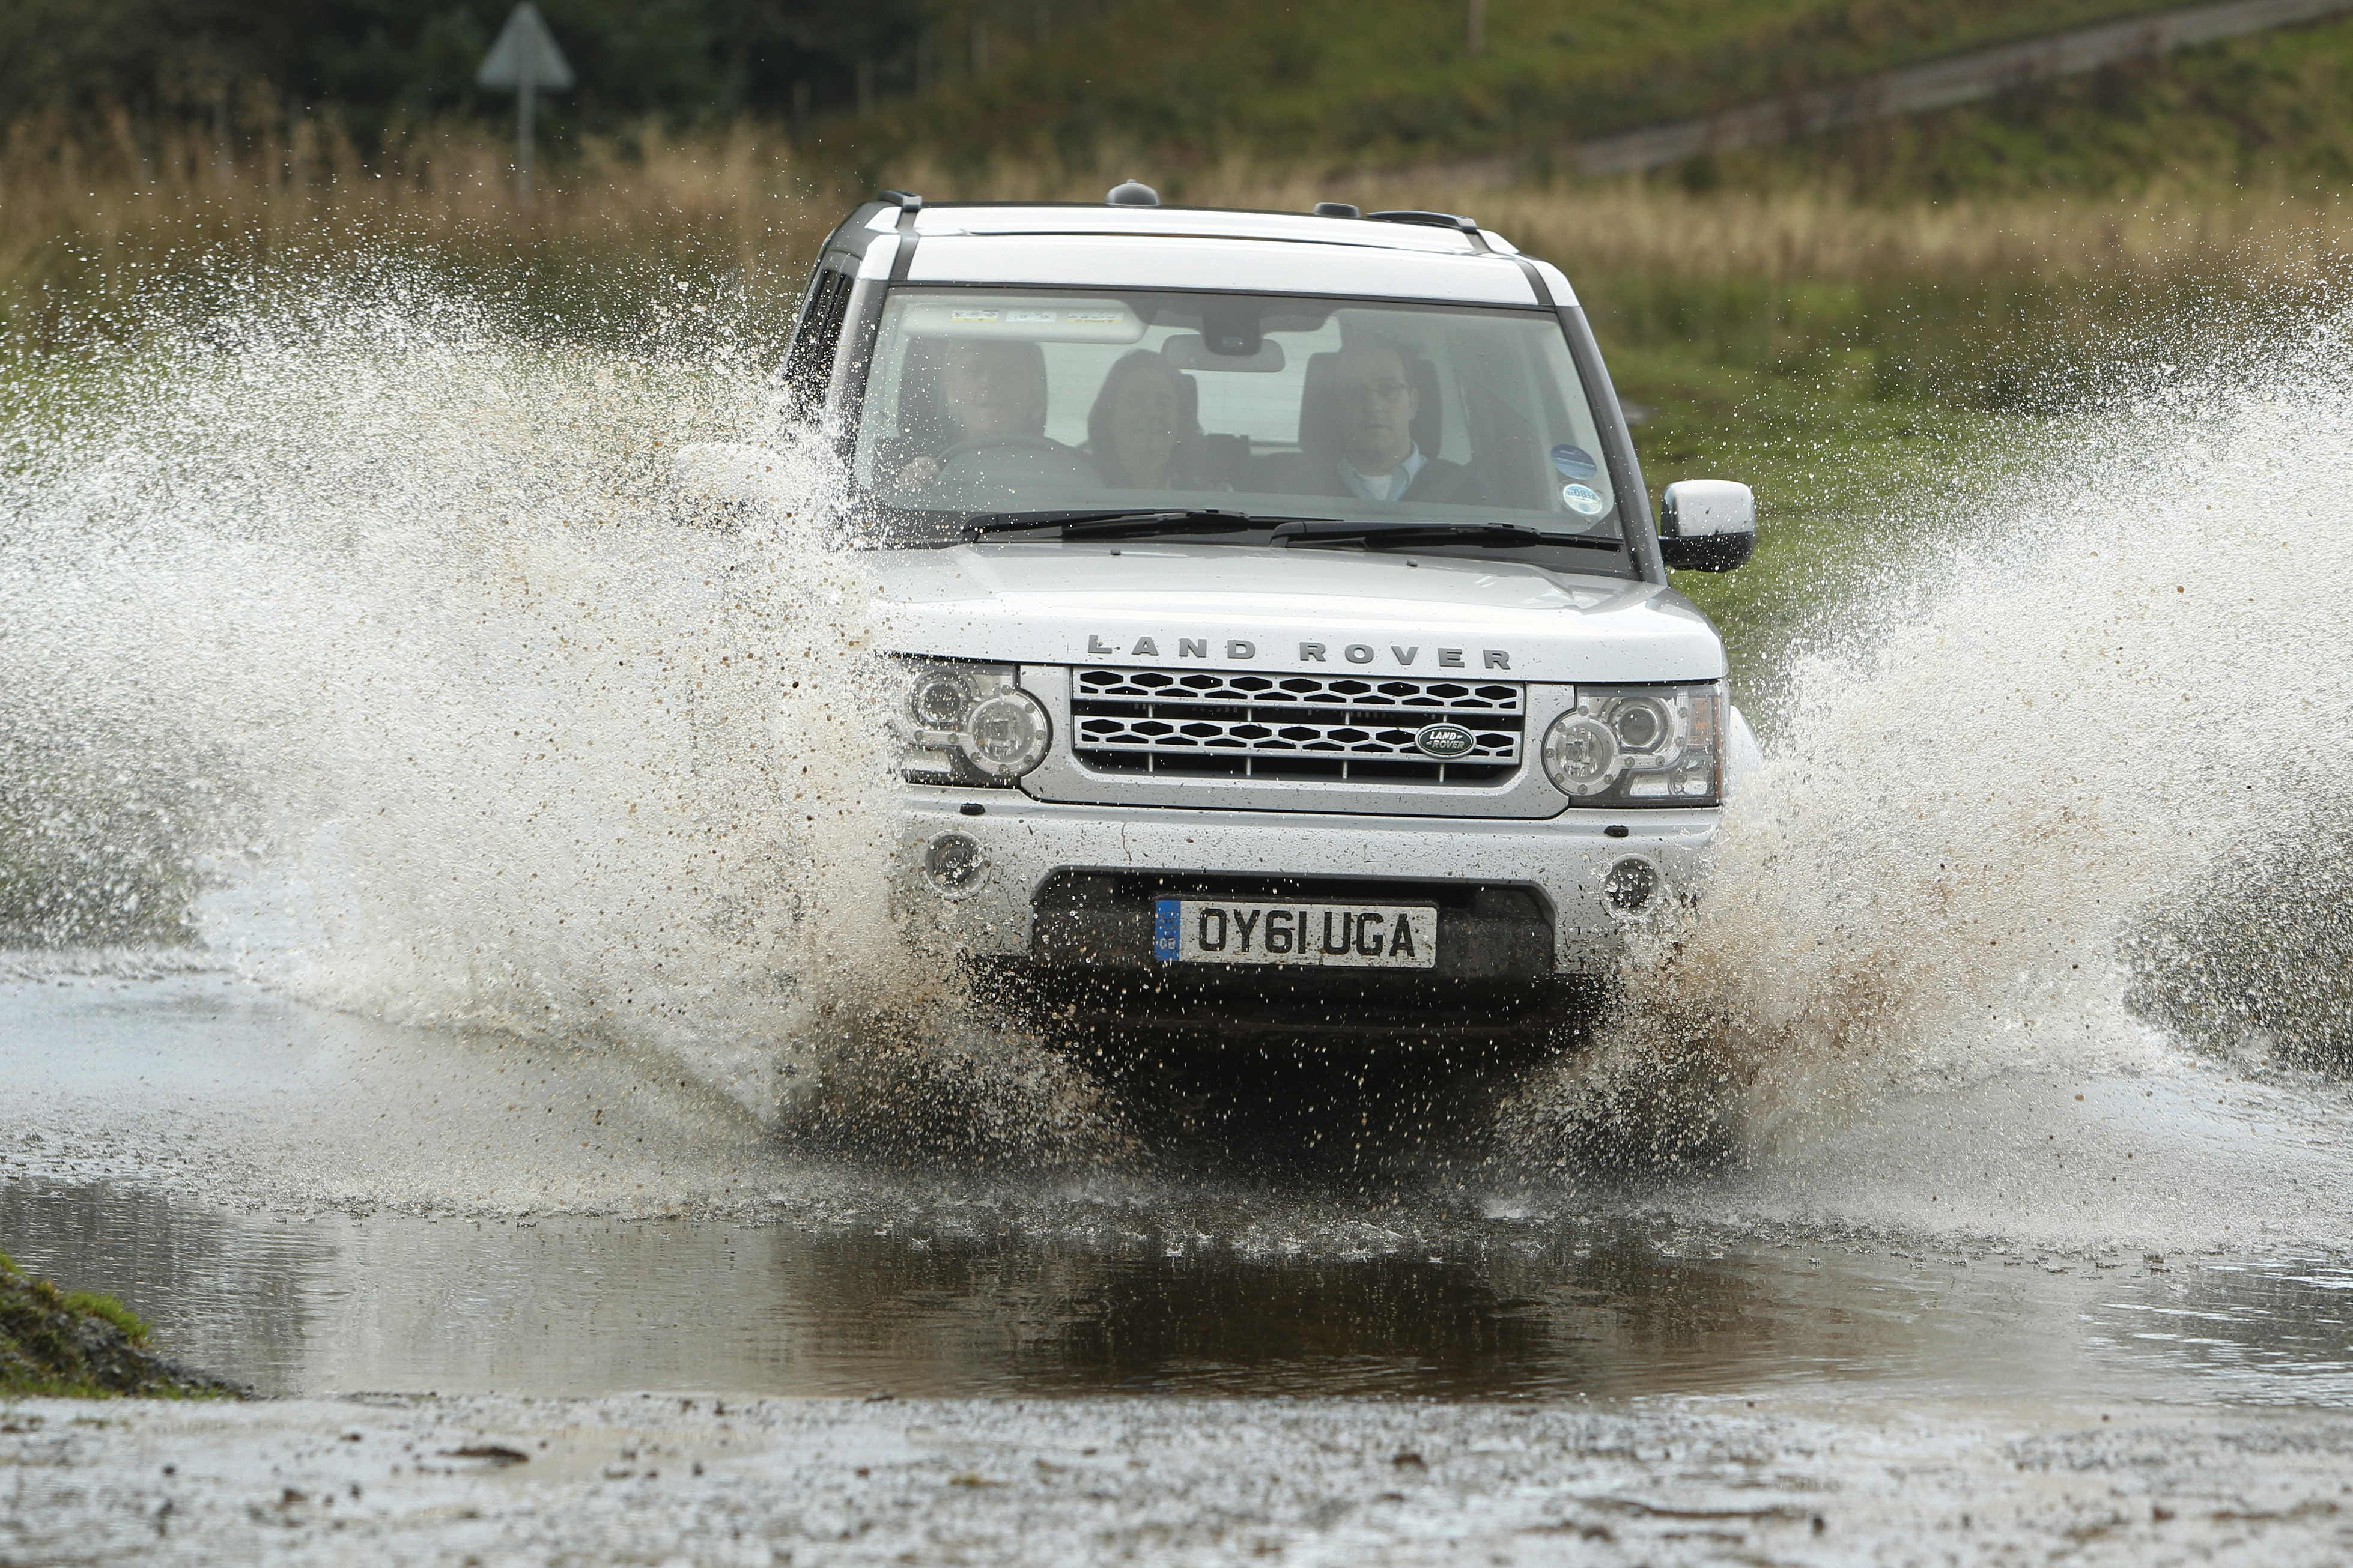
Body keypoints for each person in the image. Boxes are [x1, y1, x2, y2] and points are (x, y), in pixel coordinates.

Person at [1292, 333, 1489, 506]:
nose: (1372, 405)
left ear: (1413, 403)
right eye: (1354, 392)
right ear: (1336, 409)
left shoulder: (1470, 495)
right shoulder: (1297, 492)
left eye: (1387, 389)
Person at [890, 337, 1053, 489]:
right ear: (951, 389)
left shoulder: (1072, 473)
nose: (989, 383)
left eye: (1006, 371)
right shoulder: (901, 465)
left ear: (1033, 390)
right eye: (973, 371)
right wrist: (915, 491)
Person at [1084, 350, 1226, 491]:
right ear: (1109, 417)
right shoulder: (1081, 489)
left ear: (1181, 421)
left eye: (1163, 403)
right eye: (1136, 402)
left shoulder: (1211, 496)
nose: (1151, 413)